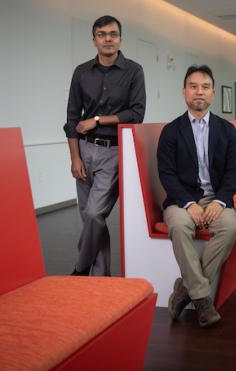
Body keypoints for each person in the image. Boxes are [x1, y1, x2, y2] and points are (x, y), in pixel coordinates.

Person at [157, 65, 236, 328]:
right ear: (184, 92)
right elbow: (167, 174)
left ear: (213, 93)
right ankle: (203, 300)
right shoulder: (171, 131)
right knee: (179, 226)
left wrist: (220, 201)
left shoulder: (227, 130)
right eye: (193, 86)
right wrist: (188, 203)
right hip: (181, 199)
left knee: (230, 227)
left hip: (217, 198)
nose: (199, 92)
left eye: (205, 87)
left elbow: (233, 171)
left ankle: (186, 289)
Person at [63, 15, 146, 276]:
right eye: (102, 34)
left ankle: (80, 266)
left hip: (114, 151)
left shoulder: (134, 70)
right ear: (94, 39)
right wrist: (75, 157)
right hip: (85, 150)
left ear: (120, 38)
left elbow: (136, 113)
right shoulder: (81, 72)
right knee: (90, 218)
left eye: (112, 34)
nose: (107, 38)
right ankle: (101, 276)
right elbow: (71, 119)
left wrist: (97, 120)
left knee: (94, 215)